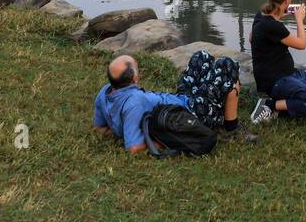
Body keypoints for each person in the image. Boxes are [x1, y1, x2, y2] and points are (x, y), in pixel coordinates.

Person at [92, 53, 255, 152]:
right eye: (137, 68)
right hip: (191, 114)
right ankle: (231, 128)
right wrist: (164, 143)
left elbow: (100, 128)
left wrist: (121, 129)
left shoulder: (105, 91)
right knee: (227, 65)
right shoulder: (134, 103)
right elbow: (133, 148)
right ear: (134, 78)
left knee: (201, 57)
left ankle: (220, 112)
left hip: (180, 100)